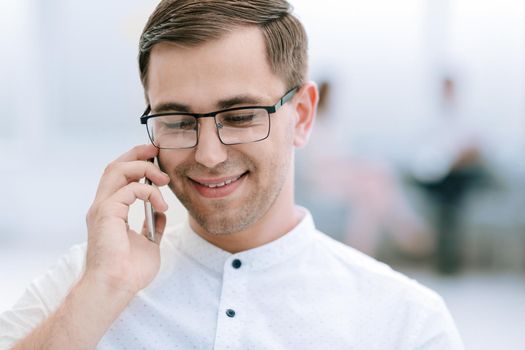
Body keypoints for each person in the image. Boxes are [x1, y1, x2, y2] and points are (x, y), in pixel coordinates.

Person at [0, 1, 463, 348]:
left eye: (240, 116)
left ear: (301, 116)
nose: (209, 154)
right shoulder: (83, 285)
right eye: (178, 121)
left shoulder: (407, 323)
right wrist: (102, 291)